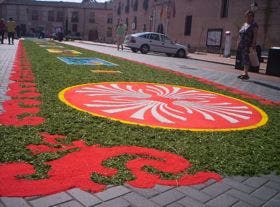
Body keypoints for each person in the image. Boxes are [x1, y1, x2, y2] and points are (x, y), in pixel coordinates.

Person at [237, 10, 258, 80]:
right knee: (244, 58)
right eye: (247, 16)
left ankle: (246, 74)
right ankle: (245, 73)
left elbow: (255, 35)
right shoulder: (244, 24)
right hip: (242, 44)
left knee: (246, 59)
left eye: (250, 16)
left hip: (248, 45)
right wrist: (238, 42)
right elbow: (240, 34)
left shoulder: (254, 25)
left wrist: (253, 44)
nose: (248, 17)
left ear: (253, 17)